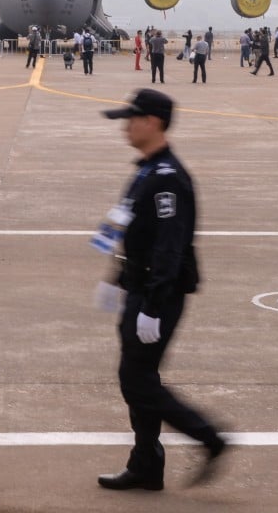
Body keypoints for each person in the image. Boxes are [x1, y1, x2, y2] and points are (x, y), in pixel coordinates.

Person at [95, 89, 227, 492]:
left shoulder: (169, 179)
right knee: (137, 378)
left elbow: (170, 249)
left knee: (137, 381)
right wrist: (114, 277)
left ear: (152, 123)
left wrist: (152, 306)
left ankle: (208, 438)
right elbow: (135, 234)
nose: (125, 126)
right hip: (140, 287)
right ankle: (146, 466)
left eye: (131, 118)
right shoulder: (147, 170)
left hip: (158, 295)